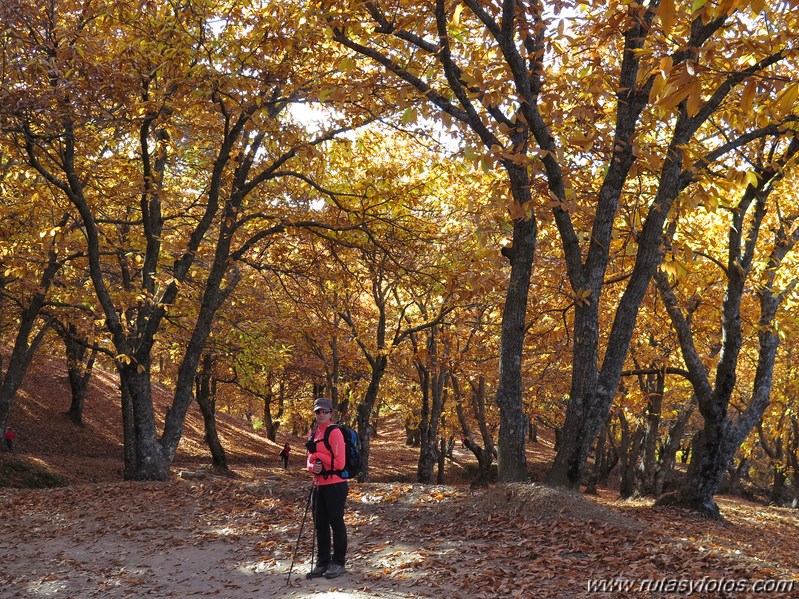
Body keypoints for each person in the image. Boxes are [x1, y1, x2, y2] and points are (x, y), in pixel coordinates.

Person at [305, 397, 348, 579]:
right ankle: (322, 562)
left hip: (336, 485)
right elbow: (308, 459)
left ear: (331, 413)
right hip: (318, 484)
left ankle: (338, 563)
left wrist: (318, 454)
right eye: (317, 412)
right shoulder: (313, 433)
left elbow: (340, 463)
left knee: (336, 523)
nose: (321, 415)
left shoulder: (334, 432)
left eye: (324, 411)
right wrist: (311, 466)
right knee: (320, 525)